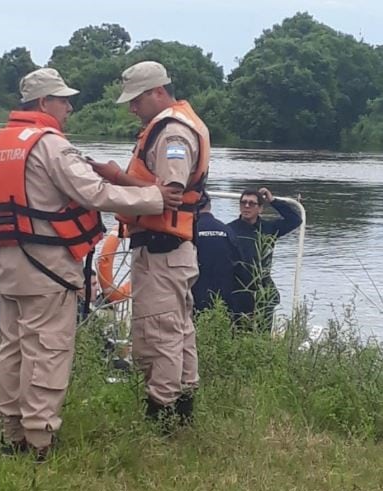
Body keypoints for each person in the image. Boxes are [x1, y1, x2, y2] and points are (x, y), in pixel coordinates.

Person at [0, 67, 183, 460]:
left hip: (6, 267)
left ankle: (10, 434)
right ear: (43, 103)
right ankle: (39, 442)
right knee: (48, 350)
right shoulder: (49, 145)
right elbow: (93, 193)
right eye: (63, 100)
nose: (70, 107)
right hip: (48, 269)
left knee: (14, 350)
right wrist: (156, 199)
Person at [89, 61, 210, 430]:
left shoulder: (173, 134)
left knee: (159, 332)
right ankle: (183, 409)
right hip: (168, 248)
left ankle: (162, 416)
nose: (131, 109)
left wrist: (114, 179)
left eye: (136, 100)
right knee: (177, 328)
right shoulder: (168, 127)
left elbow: (169, 196)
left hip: (163, 248)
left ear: (158, 92)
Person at [226, 187, 302, 332]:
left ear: (260, 208)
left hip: (263, 290)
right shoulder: (230, 230)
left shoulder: (269, 228)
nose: (246, 206)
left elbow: (295, 220)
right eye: (243, 203)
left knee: (262, 333)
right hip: (238, 290)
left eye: (252, 203)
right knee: (237, 332)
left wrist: (273, 201)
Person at [192, 193, 235, 312]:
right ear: (210, 206)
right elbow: (238, 261)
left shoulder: (190, 230)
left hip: (197, 291)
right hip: (224, 292)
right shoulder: (226, 230)